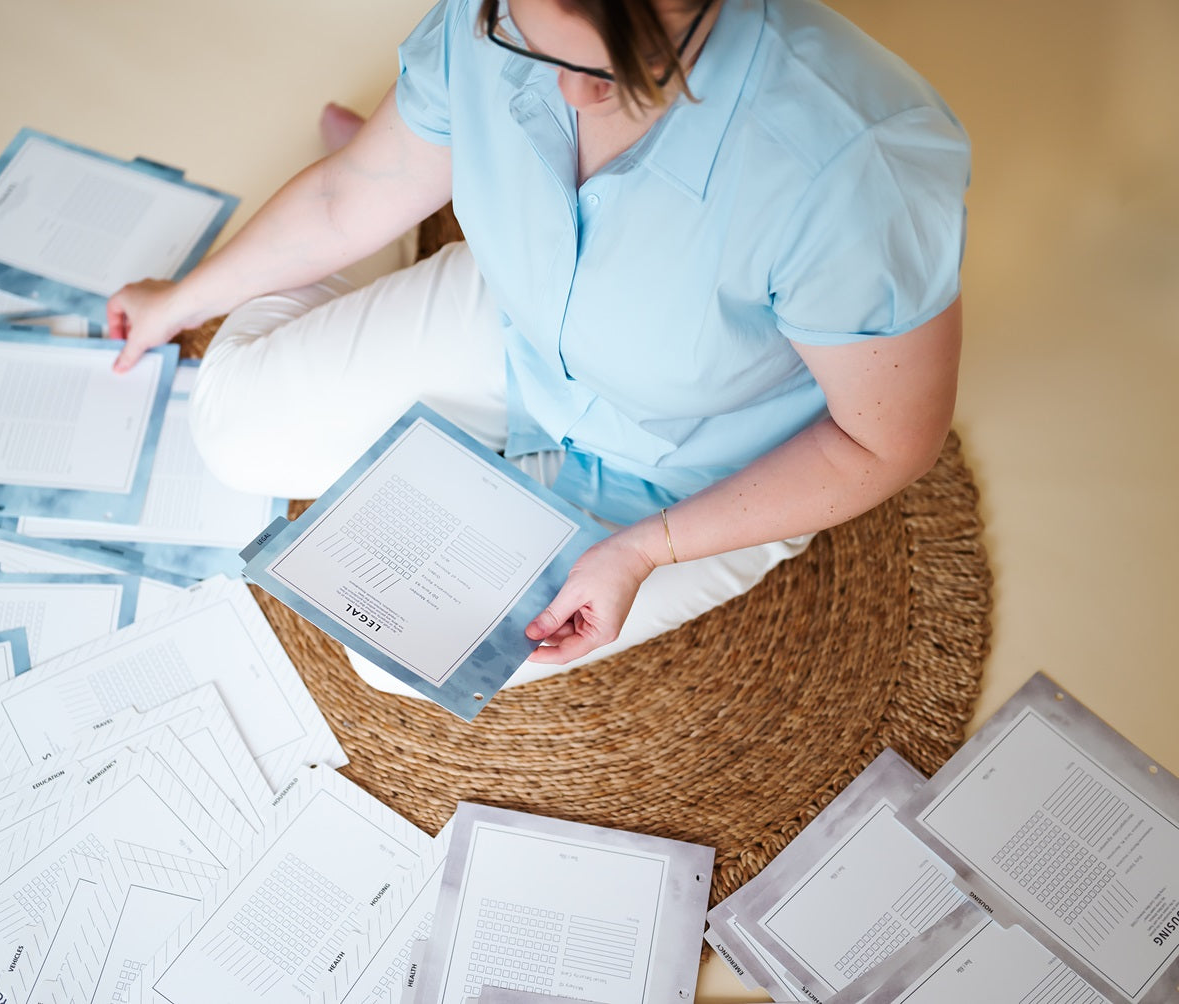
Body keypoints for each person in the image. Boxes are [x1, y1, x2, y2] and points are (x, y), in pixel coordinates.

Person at [106, 0, 969, 693]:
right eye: (529, 44)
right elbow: (342, 199)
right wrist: (176, 301)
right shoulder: (489, 14)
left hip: (694, 462)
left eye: (616, 75)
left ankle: (414, 197)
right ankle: (406, 182)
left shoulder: (857, 163)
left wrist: (643, 551)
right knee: (228, 432)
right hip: (518, 333)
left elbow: (883, 441)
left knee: (390, 660)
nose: (569, 100)